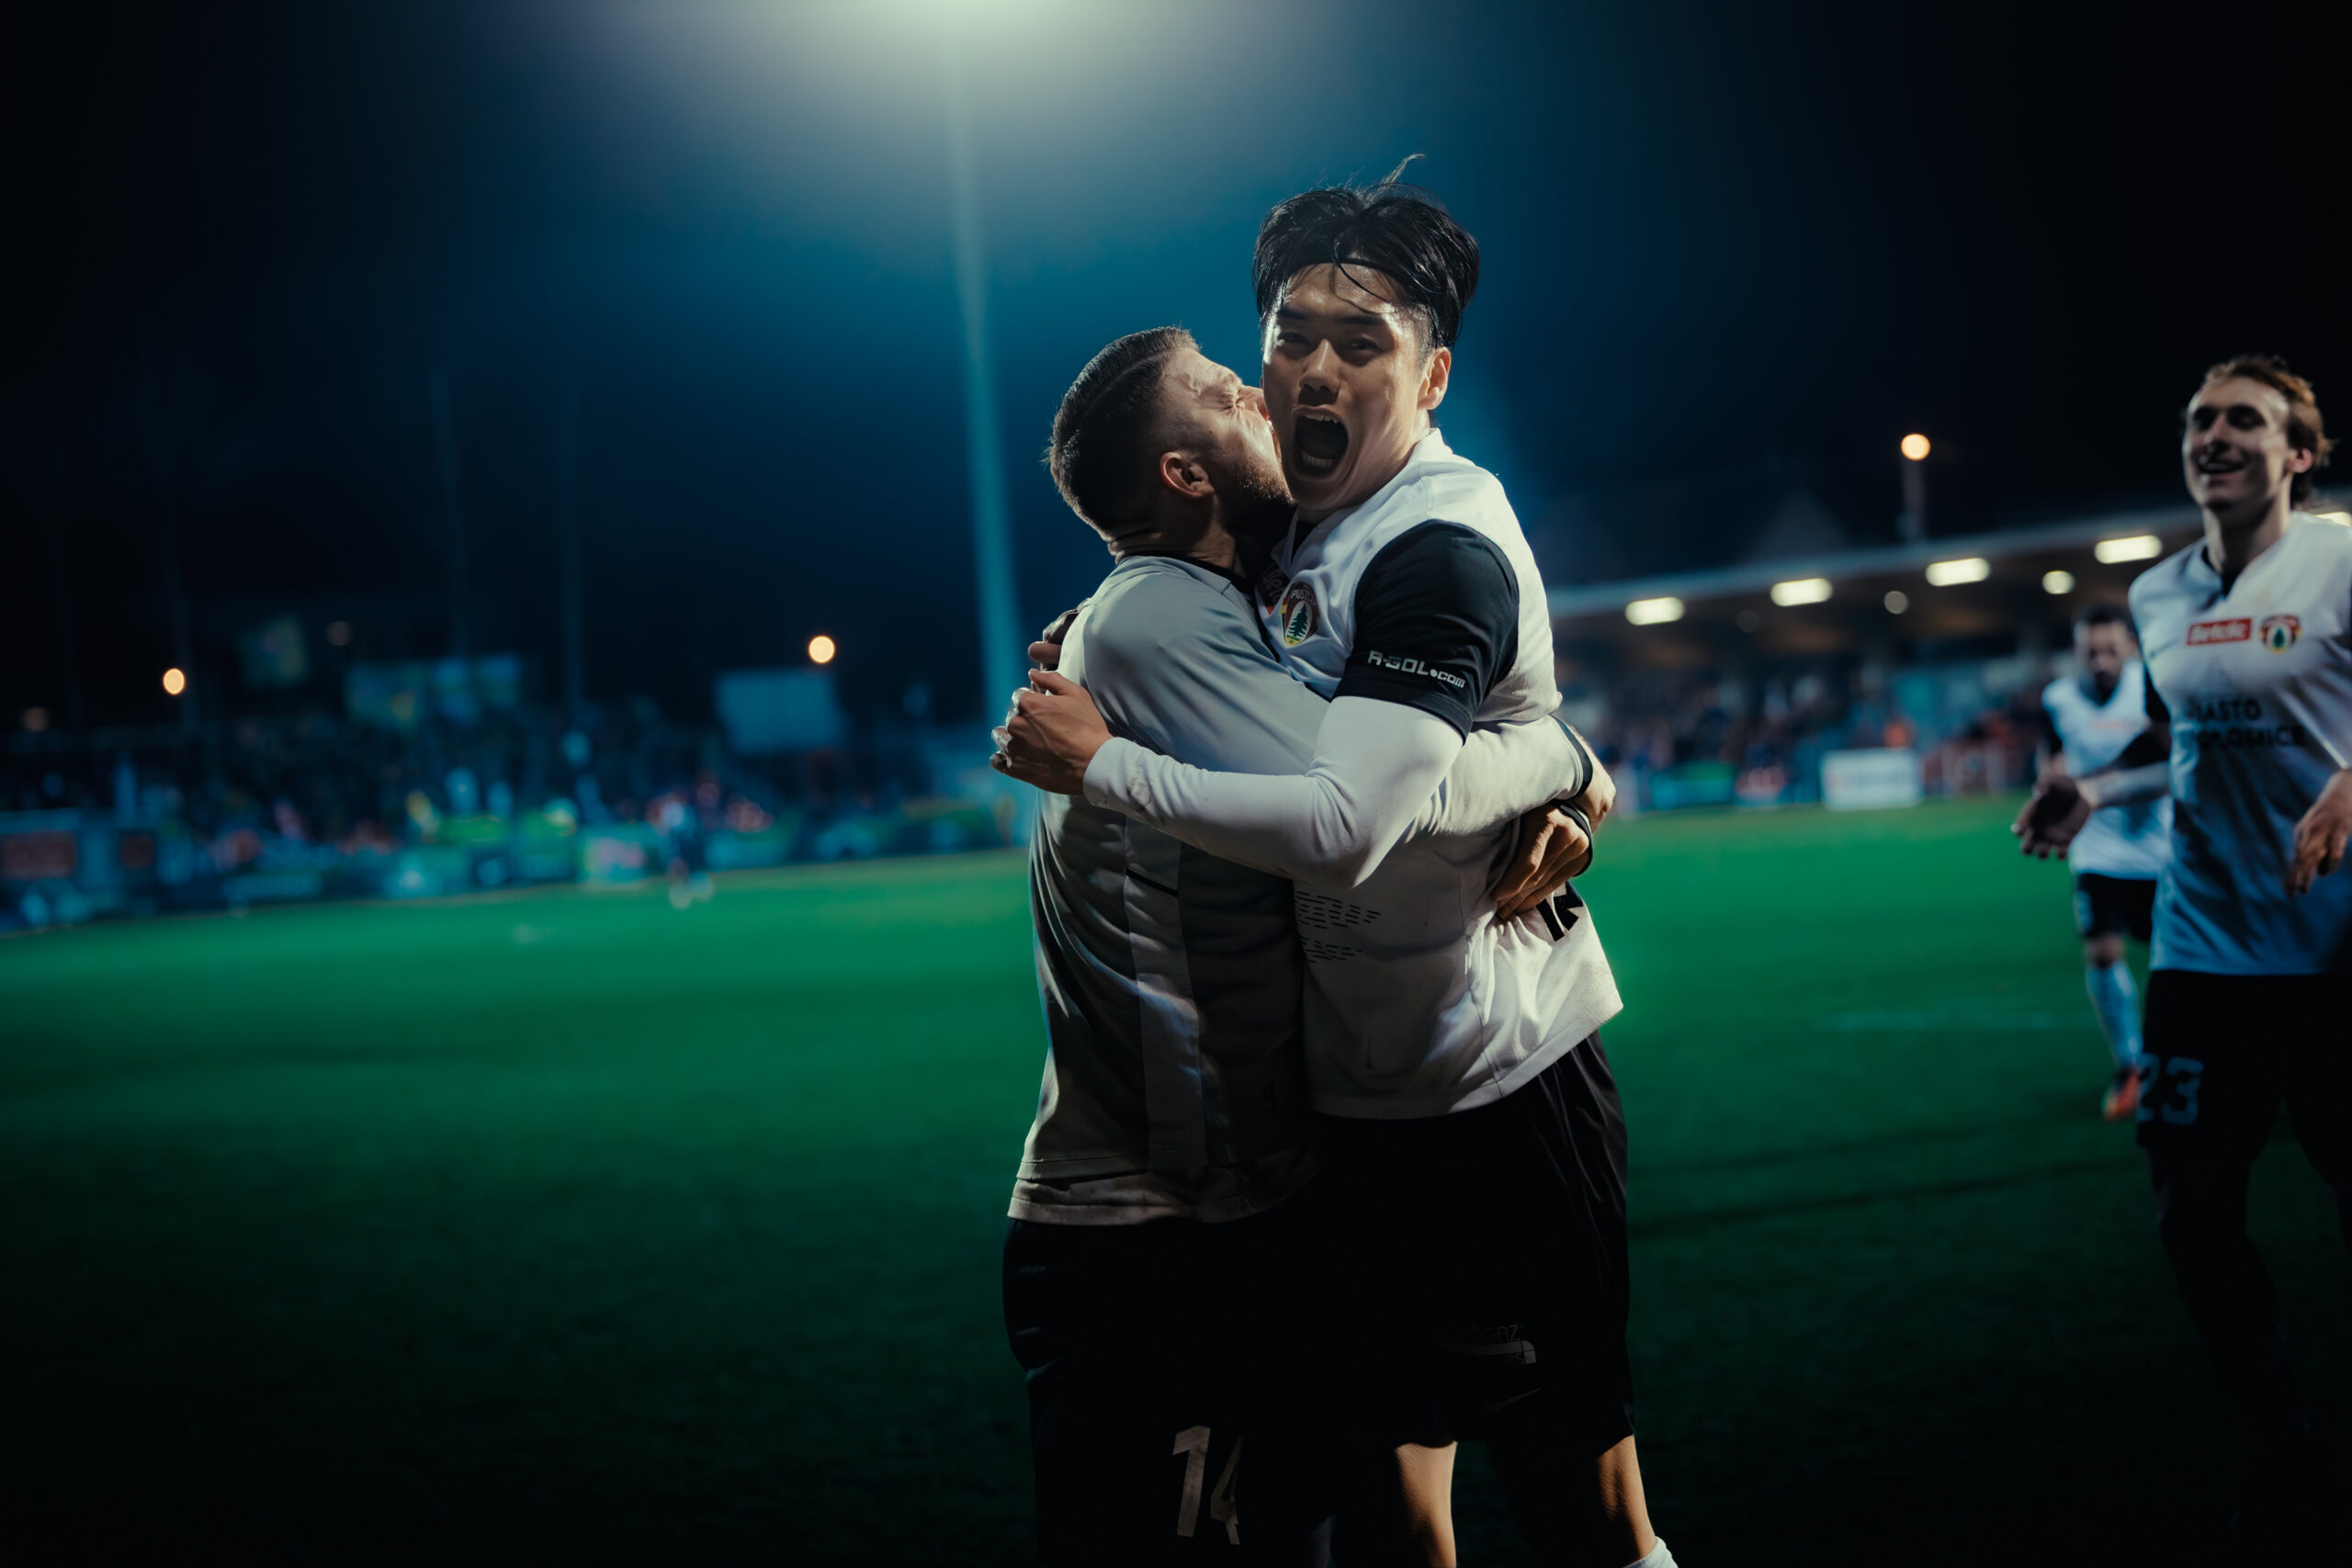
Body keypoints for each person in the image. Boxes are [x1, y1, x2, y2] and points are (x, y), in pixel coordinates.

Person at [999, 179, 1671, 1568]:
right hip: (1334, 1125)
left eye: (1359, 343)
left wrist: (1562, 760)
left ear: (1430, 376)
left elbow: (1352, 816)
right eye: (1281, 343)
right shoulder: (1268, 551)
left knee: (1588, 1513)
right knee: (1392, 1515)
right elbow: (1225, 658)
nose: (1294, 377)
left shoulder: (1435, 544)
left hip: (1491, 1083)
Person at [2015, 354, 2346, 1547]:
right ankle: (2280, 1446)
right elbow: (2186, 740)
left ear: (2297, 452)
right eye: (2201, 419)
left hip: (2335, 951)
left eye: (2244, 420)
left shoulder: (2341, 559)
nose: (2215, 435)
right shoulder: (2158, 594)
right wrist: (2096, 790)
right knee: (2191, 1218)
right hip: (2204, 953)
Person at [2033, 602, 2172, 1119]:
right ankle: (2128, 1065)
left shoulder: (2152, 686)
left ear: (2131, 647)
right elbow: (2052, 762)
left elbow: (2166, 750)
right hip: (2096, 851)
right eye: (2090, 652)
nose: (2100, 661)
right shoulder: (2058, 699)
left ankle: (2173, 1059)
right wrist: (2049, 794)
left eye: (2110, 650)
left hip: (2161, 855)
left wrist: (2095, 785)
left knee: (2171, 967)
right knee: (2102, 953)